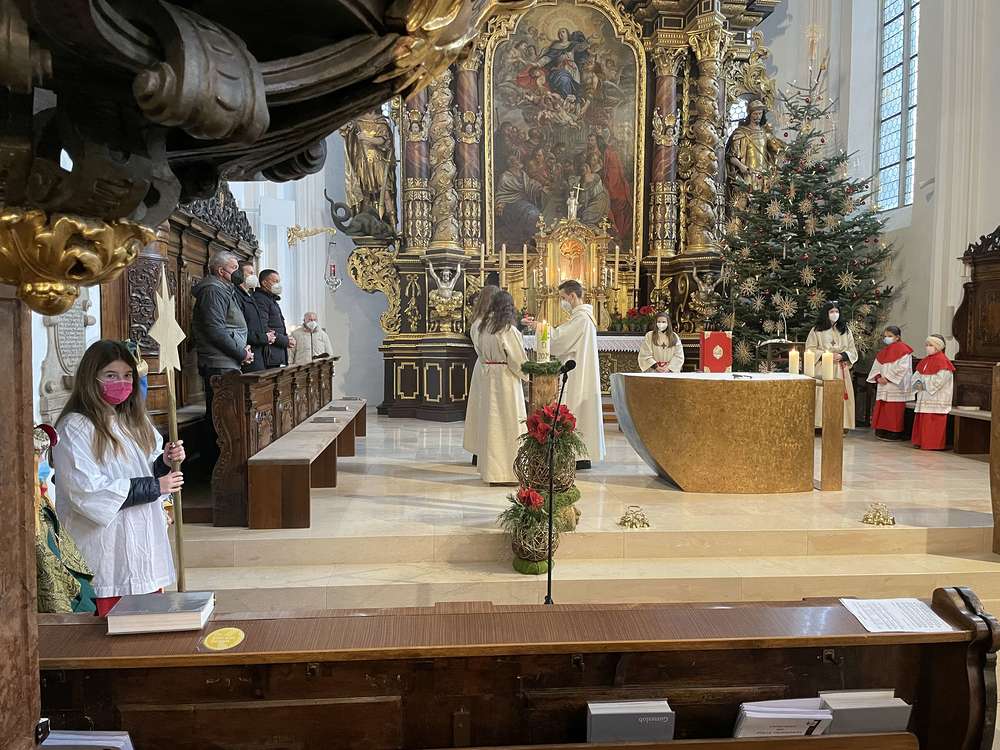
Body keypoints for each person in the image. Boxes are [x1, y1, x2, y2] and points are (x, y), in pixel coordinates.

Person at [52, 340, 185, 617]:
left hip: (142, 546)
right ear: (91, 378)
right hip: (105, 552)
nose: (121, 383)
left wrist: (164, 462)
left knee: (148, 625)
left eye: (127, 376)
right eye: (111, 375)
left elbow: (145, 466)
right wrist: (154, 486)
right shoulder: (75, 427)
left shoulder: (134, 421)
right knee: (109, 630)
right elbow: (86, 492)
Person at [532, 279, 605, 468]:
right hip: (578, 370)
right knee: (578, 411)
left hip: (577, 374)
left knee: (575, 408)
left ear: (572, 296)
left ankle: (578, 456)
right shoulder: (582, 317)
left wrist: (539, 327)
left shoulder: (581, 319)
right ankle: (580, 455)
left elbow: (559, 339)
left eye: (563, 298)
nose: (562, 302)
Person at [191, 251, 252, 454]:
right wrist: (241, 353)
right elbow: (215, 330)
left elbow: (230, 326)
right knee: (221, 417)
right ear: (220, 271)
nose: (238, 272)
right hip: (218, 363)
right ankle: (218, 463)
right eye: (234, 268)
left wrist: (242, 349)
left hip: (227, 361)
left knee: (227, 415)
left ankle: (225, 460)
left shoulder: (224, 289)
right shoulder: (212, 291)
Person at [476, 291, 529, 484]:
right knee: (509, 423)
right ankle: (508, 472)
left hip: (489, 377)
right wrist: (528, 375)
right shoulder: (507, 329)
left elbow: (481, 353)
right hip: (506, 380)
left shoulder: (484, 328)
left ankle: (490, 472)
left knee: (491, 425)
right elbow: (517, 360)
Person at [463, 285, 501, 466]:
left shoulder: (478, 321)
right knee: (486, 410)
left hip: (483, 367)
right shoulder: (485, 324)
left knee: (481, 409)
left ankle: (479, 451)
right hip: (489, 367)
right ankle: (482, 450)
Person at [805, 301, 858, 431]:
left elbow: (852, 350)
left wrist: (843, 355)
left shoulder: (845, 330)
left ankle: (841, 424)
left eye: (837, 311)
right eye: (831, 312)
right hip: (823, 367)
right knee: (822, 395)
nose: (835, 314)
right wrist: (826, 355)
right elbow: (810, 349)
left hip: (841, 368)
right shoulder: (817, 330)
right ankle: (820, 425)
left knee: (840, 396)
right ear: (826, 313)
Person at [866, 325, 914, 441]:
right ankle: (881, 430)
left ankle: (893, 432)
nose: (886, 338)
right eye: (885, 336)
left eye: (890, 336)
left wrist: (887, 378)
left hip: (895, 385)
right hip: (883, 384)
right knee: (883, 408)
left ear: (897, 337)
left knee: (893, 410)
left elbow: (903, 368)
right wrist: (878, 377)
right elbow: (877, 367)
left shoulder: (904, 351)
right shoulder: (883, 352)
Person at [911, 334, 955, 451]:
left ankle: (932, 444)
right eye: (927, 345)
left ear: (938, 346)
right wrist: (919, 385)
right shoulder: (925, 361)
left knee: (932, 420)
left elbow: (939, 381)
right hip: (924, 395)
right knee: (923, 419)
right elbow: (916, 377)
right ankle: (920, 441)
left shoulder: (944, 362)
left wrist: (924, 384)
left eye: (930, 345)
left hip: (936, 397)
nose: (927, 347)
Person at [232, 260, 274, 373]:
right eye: (250, 273)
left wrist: (267, 334)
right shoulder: (236, 296)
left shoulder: (249, 295)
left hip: (258, 351)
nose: (254, 277)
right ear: (239, 275)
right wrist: (264, 337)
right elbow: (241, 329)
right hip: (247, 352)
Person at [254, 269, 294, 367]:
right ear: (264, 283)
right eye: (275, 281)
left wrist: (286, 338)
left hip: (276, 353)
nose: (278, 285)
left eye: (279, 282)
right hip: (269, 353)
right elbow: (263, 327)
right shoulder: (260, 299)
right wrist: (285, 340)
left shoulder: (271, 300)